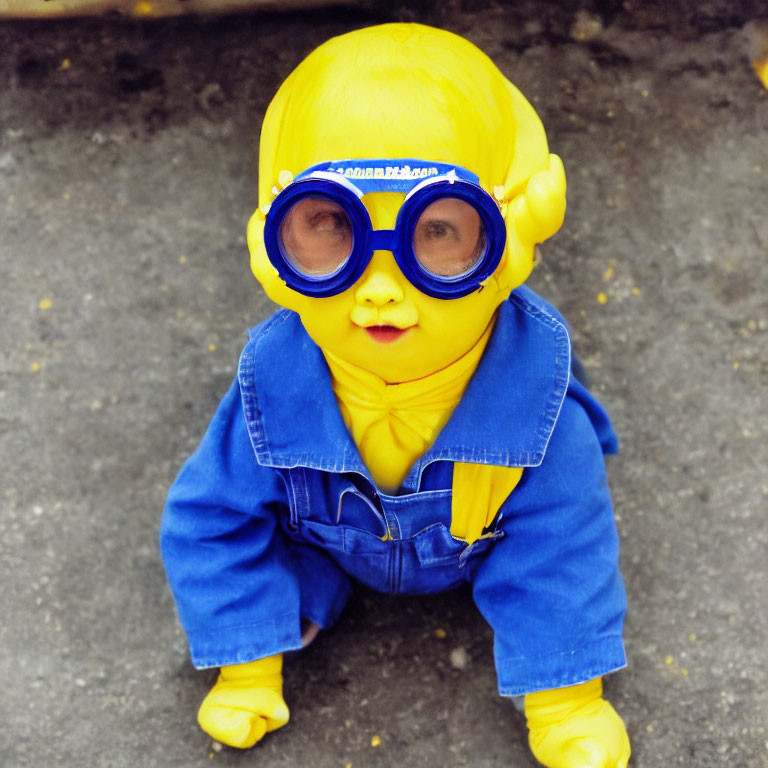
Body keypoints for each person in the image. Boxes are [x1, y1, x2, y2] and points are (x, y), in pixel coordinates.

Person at [161, 23, 631, 768]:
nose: (381, 289)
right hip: (329, 542)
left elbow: (563, 555)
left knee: (540, 550)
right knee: (272, 545)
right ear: (272, 250)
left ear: (511, 243)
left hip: (484, 546)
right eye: (328, 225)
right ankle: (285, 621)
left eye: (437, 230)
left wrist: (566, 701)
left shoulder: (540, 419)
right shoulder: (270, 391)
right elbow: (210, 520)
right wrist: (246, 661)